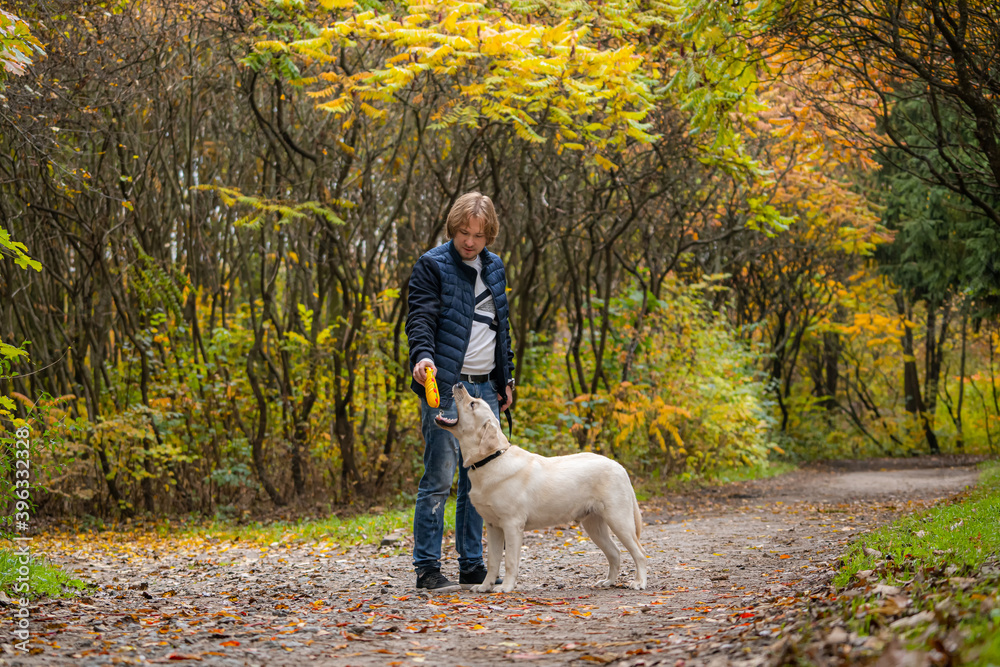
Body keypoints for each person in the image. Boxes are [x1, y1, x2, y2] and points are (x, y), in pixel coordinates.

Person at [405, 192, 516, 593]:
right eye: (464, 232)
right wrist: (422, 357)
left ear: (489, 236)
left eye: (479, 235)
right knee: (439, 476)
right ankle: (428, 569)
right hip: (446, 384)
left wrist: (506, 379)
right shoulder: (432, 265)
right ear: (453, 228)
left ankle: (473, 565)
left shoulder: (495, 268)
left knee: (481, 481)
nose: (470, 241)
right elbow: (419, 318)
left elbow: (502, 329)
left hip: (486, 385)